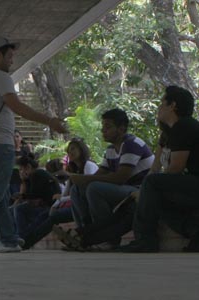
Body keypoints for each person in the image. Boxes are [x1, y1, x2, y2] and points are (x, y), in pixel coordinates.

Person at [0, 36, 67, 253]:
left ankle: (9, 238)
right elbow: (17, 107)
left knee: (1, 192)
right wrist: (50, 121)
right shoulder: (0, 77)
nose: (12, 61)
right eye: (10, 56)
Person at [121, 86, 199, 252]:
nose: (159, 108)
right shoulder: (170, 133)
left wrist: (147, 189)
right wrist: (144, 192)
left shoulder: (184, 125)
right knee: (154, 196)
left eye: (162, 103)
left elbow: (176, 168)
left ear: (173, 105)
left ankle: (145, 239)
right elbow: (156, 168)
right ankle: (195, 231)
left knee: (152, 186)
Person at [68, 109, 153, 231]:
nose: (103, 130)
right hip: (125, 189)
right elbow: (99, 174)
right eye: (103, 126)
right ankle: (84, 231)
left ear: (121, 129)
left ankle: (104, 235)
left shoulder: (131, 144)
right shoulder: (110, 150)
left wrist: (85, 179)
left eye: (108, 127)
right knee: (76, 189)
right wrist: (81, 181)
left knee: (94, 188)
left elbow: (120, 178)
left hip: (139, 190)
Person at [21, 138, 98, 250]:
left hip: (87, 206)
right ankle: (22, 239)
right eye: (68, 151)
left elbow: (86, 193)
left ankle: (26, 243)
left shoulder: (89, 165)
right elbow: (65, 194)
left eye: (73, 149)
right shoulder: (74, 171)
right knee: (46, 214)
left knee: (54, 217)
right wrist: (56, 204)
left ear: (82, 150)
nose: (70, 152)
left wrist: (60, 201)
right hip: (76, 206)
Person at [11, 154, 61, 240]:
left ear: (28, 167)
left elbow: (33, 195)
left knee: (19, 209)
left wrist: (23, 185)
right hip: (45, 205)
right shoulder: (35, 175)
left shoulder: (37, 174)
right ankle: (18, 235)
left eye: (22, 169)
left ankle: (22, 236)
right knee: (14, 209)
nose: (21, 172)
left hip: (49, 206)